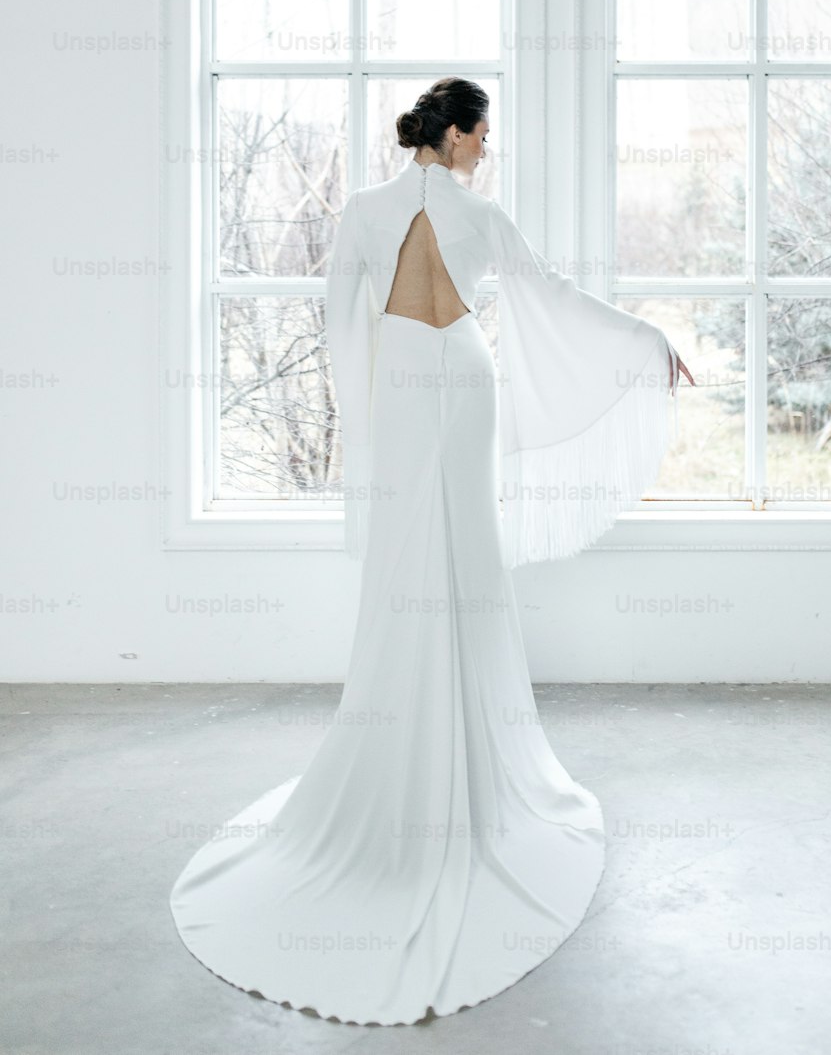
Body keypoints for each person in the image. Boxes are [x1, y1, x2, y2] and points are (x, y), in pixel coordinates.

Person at [169, 77, 693, 1025]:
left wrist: (363, 428)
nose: (486, 150)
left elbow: (338, 323)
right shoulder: (481, 216)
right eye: (482, 134)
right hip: (464, 375)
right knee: (464, 562)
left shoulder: (363, 212)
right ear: (452, 135)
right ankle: (465, 762)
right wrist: (646, 339)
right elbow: (555, 296)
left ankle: (406, 737)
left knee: (411, 566)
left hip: (404, 387)